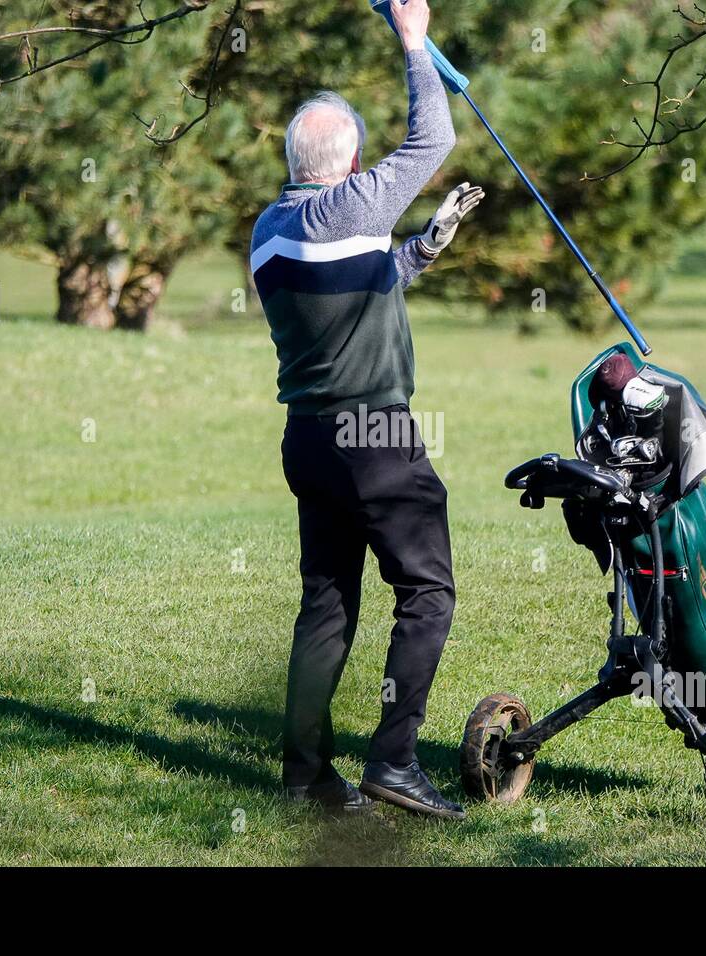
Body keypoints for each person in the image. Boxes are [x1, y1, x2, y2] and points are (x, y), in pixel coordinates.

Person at [250, 0, 483, 819]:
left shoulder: (270, 230)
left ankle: (306, 775)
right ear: (348, 166)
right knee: (428, 593)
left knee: (327, 604)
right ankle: (394, 759)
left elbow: (349, 295)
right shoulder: (349, 208)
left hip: (309, 440)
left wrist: (420, 247)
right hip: (376, 435)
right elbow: (434, 141)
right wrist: (414, 41)